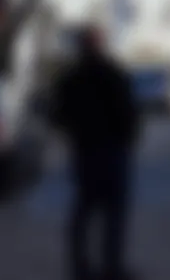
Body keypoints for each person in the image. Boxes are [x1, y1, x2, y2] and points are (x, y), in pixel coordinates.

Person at [52, 25, 138, 280]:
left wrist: (76, 132)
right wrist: (125, 136)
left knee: (87, 210)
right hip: (109, 151)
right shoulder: (110, 73)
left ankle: (83, 267)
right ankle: (110, 267)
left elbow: (58, 114)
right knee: (111, 213)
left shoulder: (72, 77)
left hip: (88, 152)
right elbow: (127, 111)